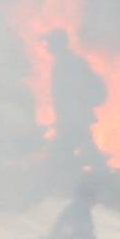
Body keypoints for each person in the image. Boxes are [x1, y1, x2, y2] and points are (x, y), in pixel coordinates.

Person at [45, 29, 106, 165]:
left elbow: (69, 94)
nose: (47, 46)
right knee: (83, 146)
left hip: (74, 117)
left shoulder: (68, 63)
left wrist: (67, 117)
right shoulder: (68, 61)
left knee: (63, 151)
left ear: (57, 44)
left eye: (49, 42)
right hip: (74, 117)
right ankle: (100, 171)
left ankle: (100, 173)